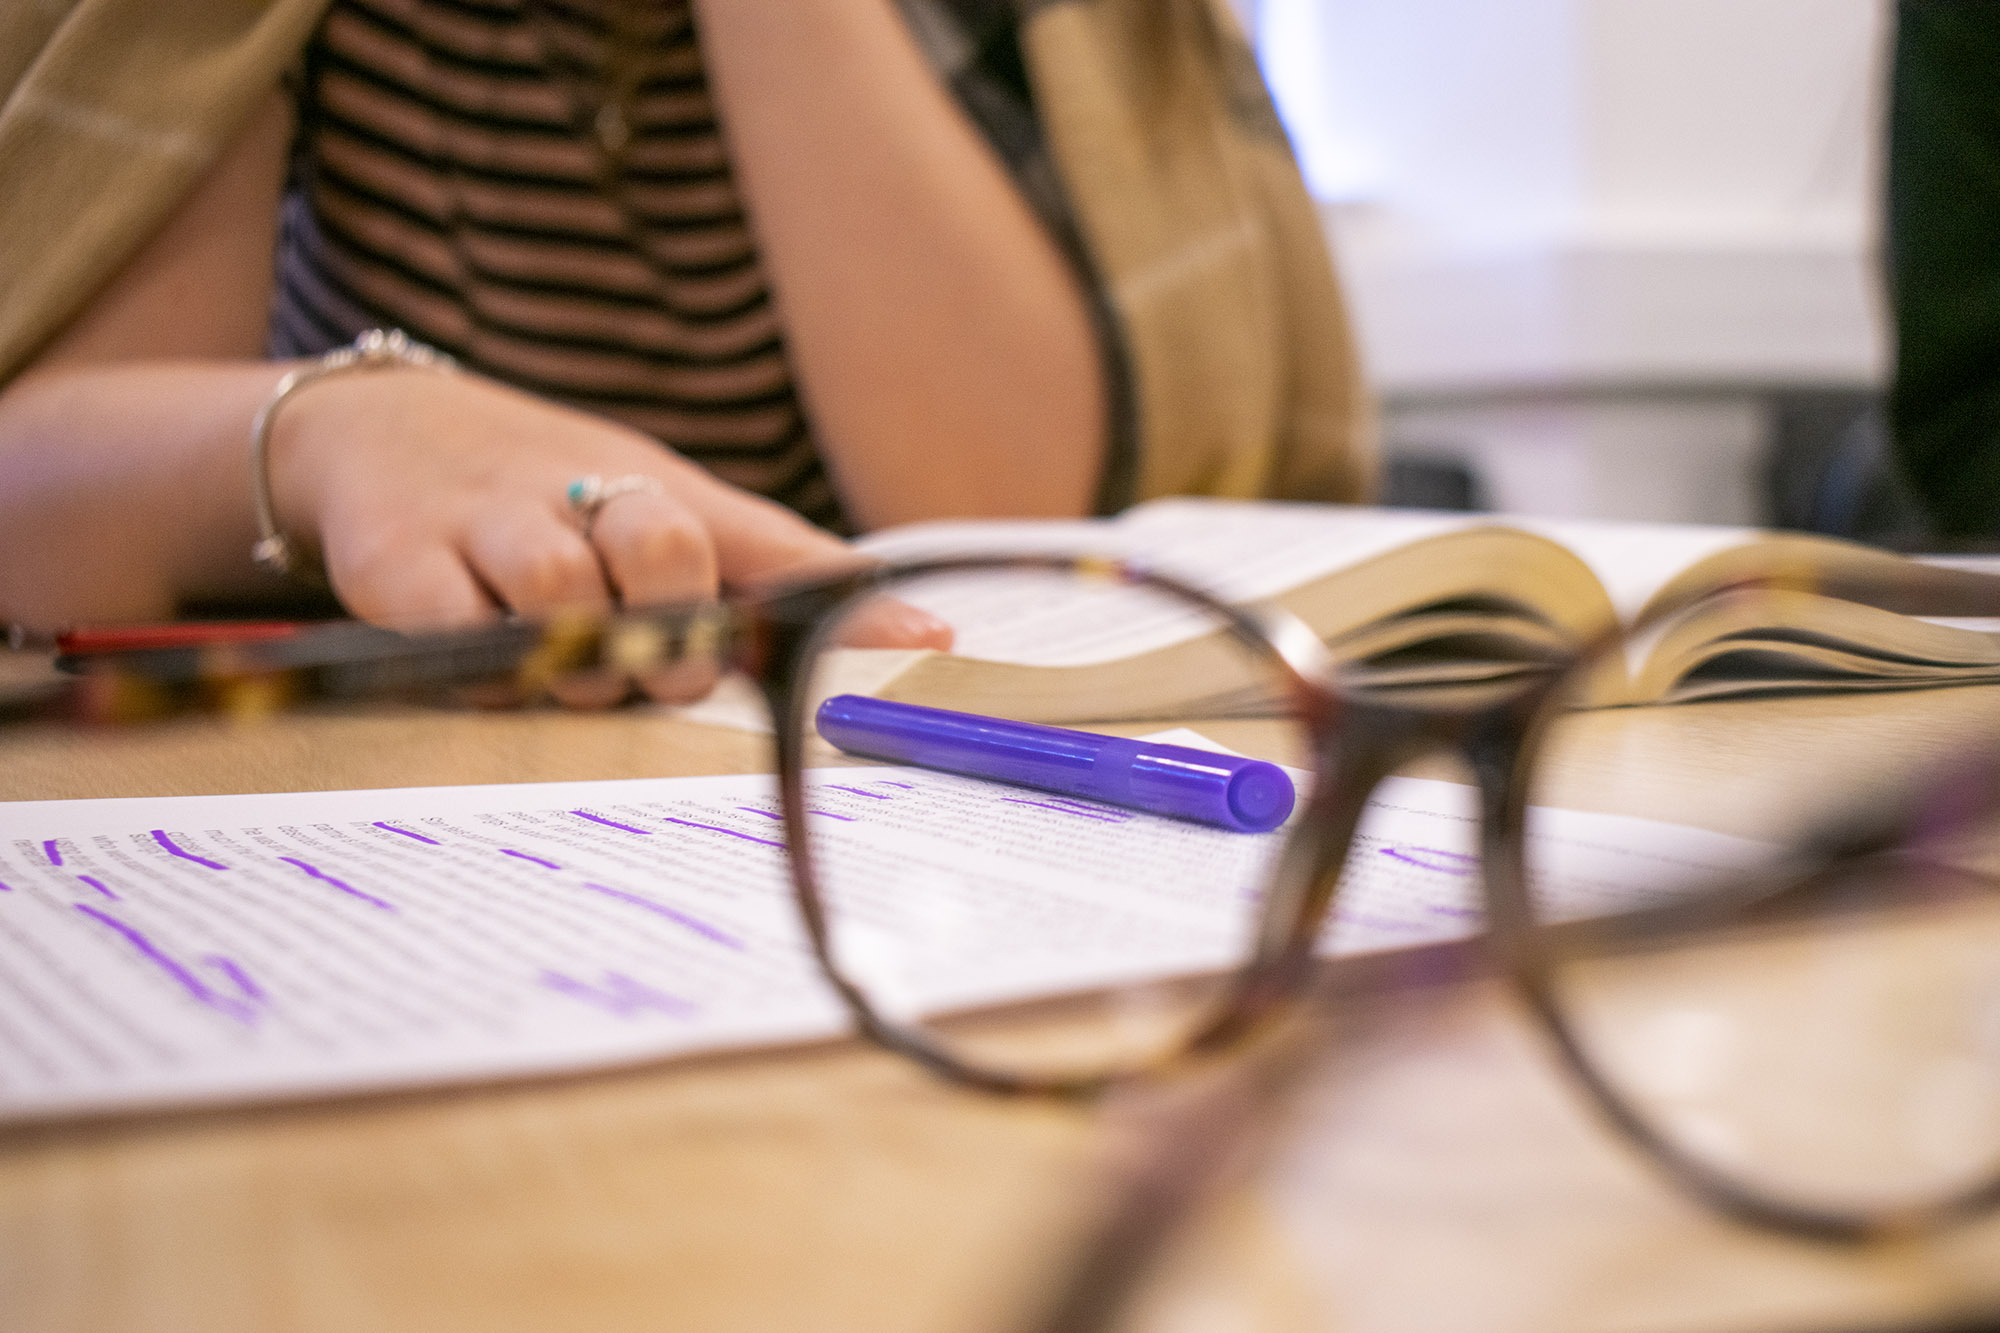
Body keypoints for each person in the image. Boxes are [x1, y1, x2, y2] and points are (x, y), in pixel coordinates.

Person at [0, 0, 1374, 654]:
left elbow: (997, 513)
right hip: (403, 804)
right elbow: (46, 512)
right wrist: (337, 432)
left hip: (873, 797)